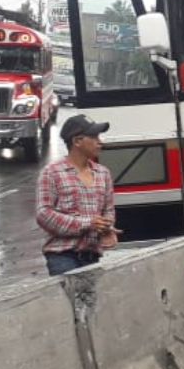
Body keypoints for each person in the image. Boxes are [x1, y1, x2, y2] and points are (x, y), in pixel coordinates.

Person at [36, 114, 118, 276]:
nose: (100, 141)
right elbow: (43, 214)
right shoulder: (52, 173)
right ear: (77, 141)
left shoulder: (103, 173)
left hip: (92, 257)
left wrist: (107, 229)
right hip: (62, 257)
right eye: (94, 137)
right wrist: (87, 224)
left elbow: (108, 211)